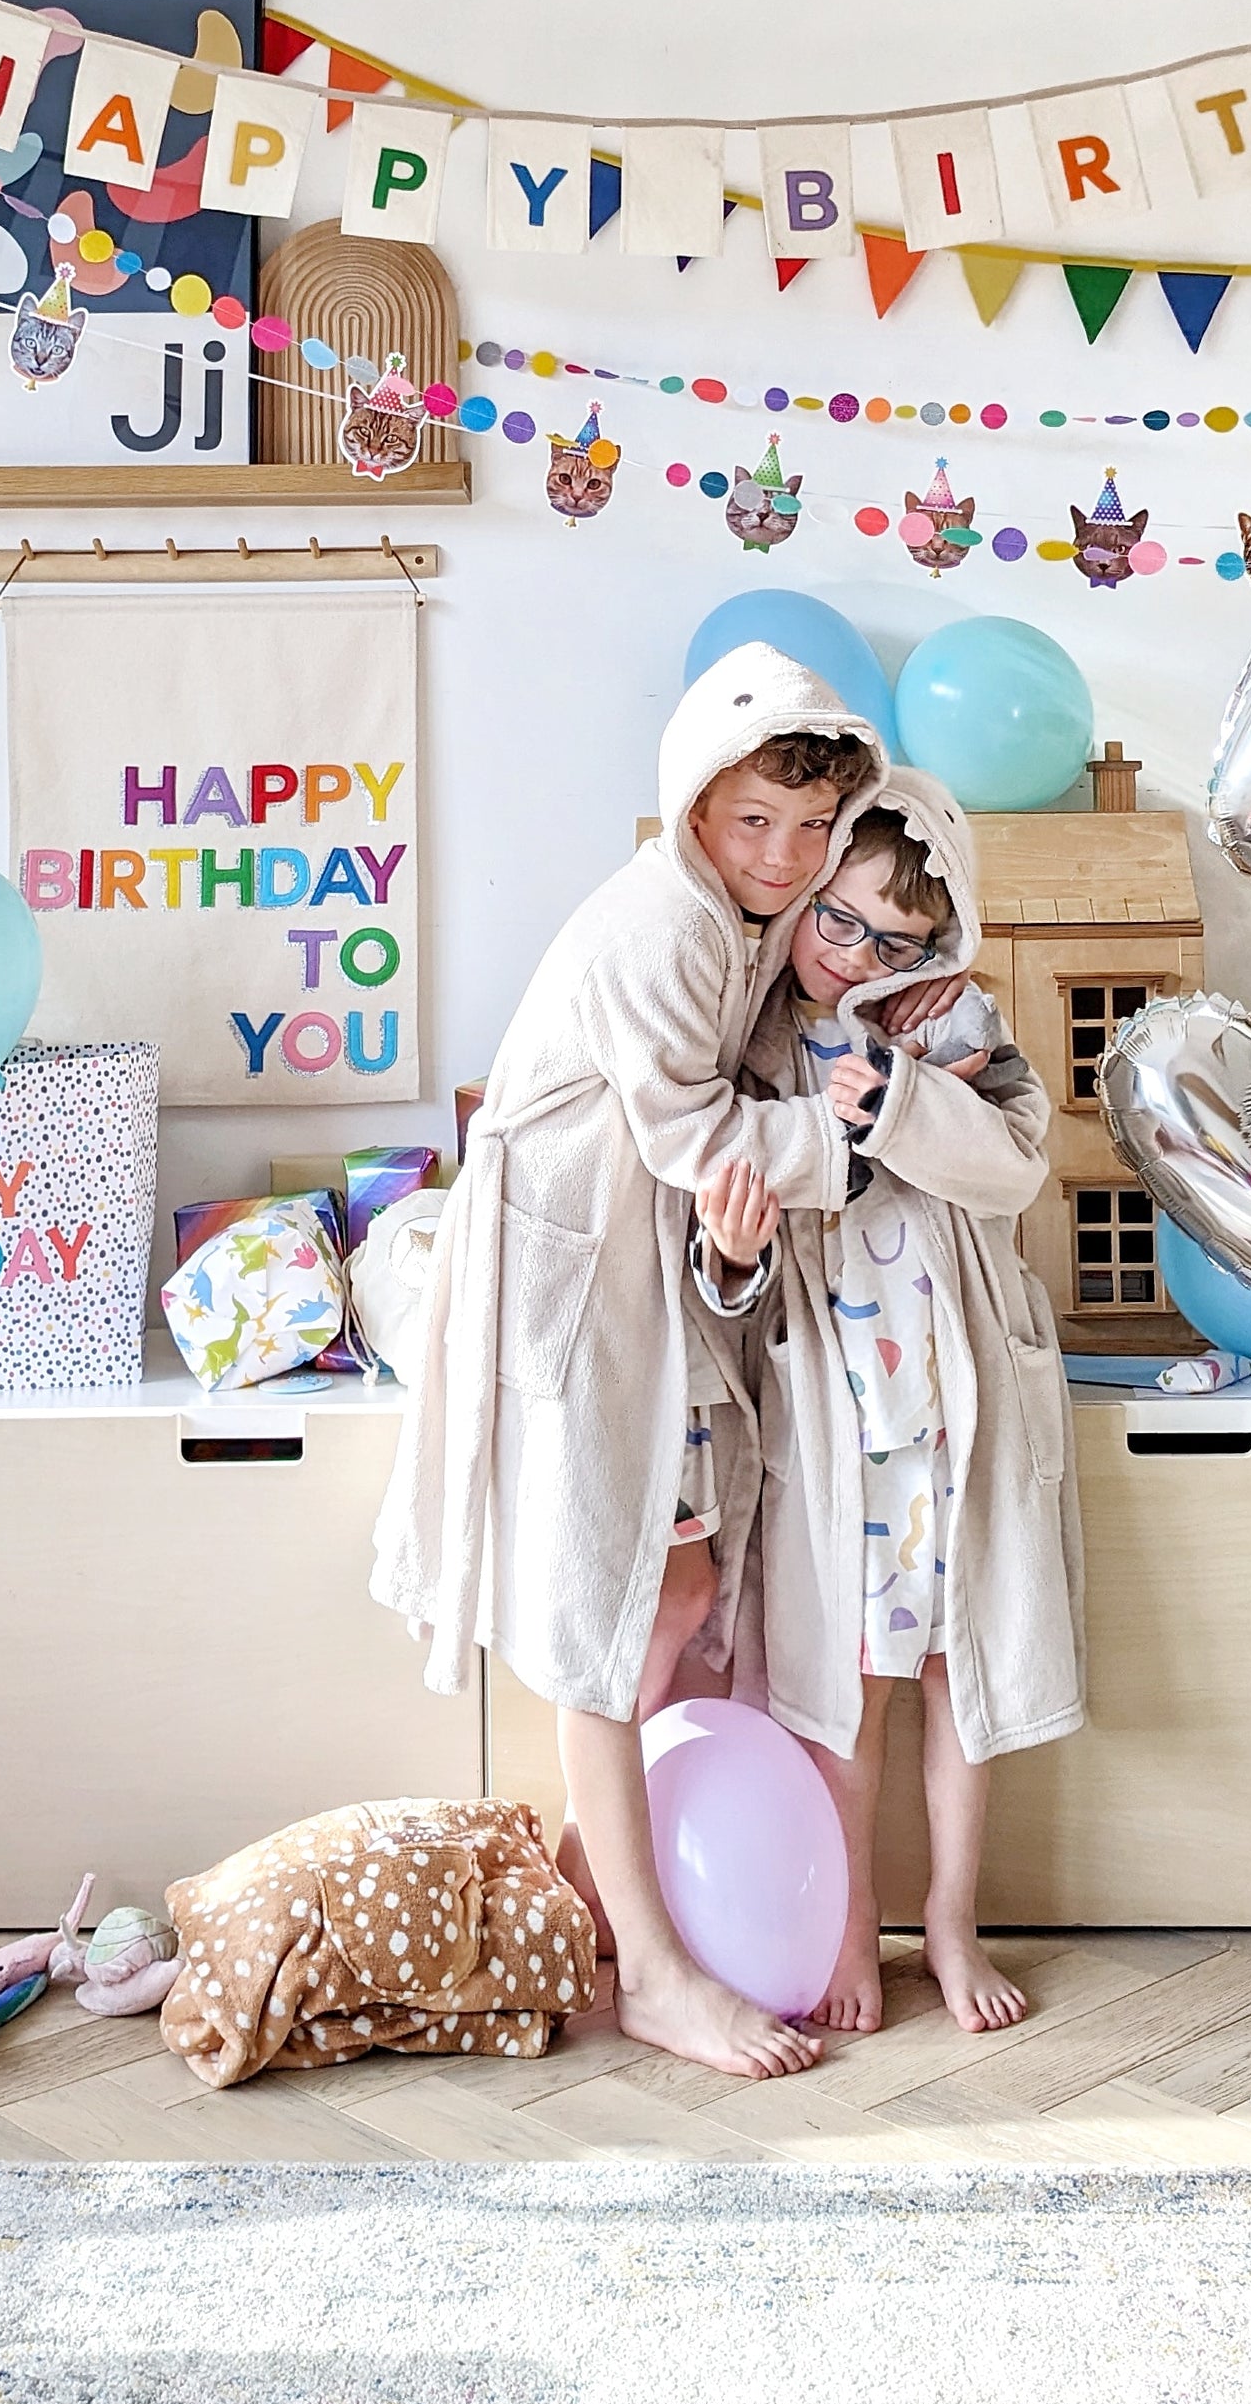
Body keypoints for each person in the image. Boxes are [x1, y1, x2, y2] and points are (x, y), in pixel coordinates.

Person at [372, 643, 907, 2080]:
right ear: (692, 805)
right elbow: (694, 1136)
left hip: (637, 1283)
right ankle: (659, 1973)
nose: (784, 854)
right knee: (606, 1610)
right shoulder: (664, 923)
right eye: (754, 821)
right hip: (570, 1284)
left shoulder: (745, 918)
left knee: (667, 1589)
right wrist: (858, 1139)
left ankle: (581, 1901)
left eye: (811, 827)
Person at [693, 775, 1084, 2037]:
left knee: (963, 1672)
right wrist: (734, 1249)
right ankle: (852, 1916)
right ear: (803, 893)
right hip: (843, 1420)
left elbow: (1012, 1165)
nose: (855, 954)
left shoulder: (954, 1024)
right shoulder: (753, 1042)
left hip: (957, 1413)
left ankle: (953, 1922)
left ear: (937, 938)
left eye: (894, 937)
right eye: (838, 918)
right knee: (846, 1687)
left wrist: (908, 1088)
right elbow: (724, 1233)